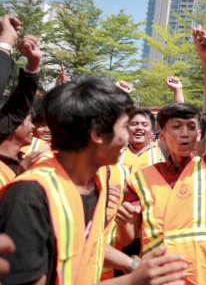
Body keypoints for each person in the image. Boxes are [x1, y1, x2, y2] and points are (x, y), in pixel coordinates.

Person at [0, 76, 186, 284]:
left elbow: (86, 243)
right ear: (98, 134)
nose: (129, 136)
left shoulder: (92, 183)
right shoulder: (30, 196)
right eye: (125, 127)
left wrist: (135, 265)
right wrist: (134, 280)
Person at [116, 27, 206, 284]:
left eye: (191, 127)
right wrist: (123, 222)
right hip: (159, 278)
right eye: (176, 127)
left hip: (204, 276)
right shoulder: (141, 179)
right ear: (162, 135)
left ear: (199, 135)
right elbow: (126, 239)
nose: (184, 134)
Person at [118, 107, 164, 174]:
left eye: (144, 124)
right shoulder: (117, 152)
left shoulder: (162, 150)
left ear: (152, 132)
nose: (139, 127)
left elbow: (180, 116)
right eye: (134, 124)